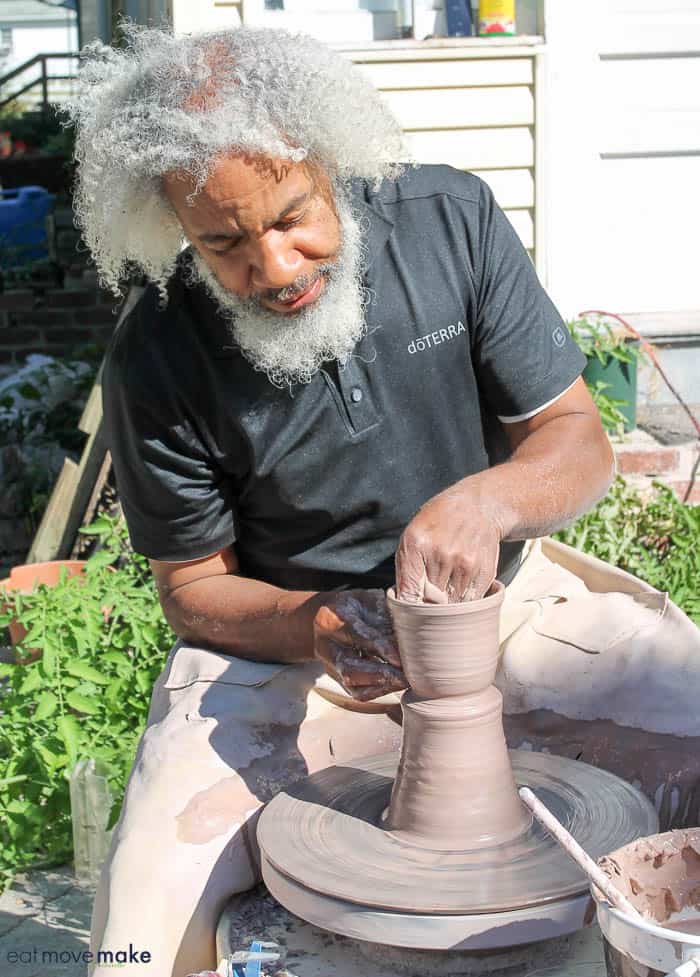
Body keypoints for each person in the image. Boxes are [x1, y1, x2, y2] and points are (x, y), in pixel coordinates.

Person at [63, 23, 700, 977]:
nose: (274, 268)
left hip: (503, 606)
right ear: (174, 229)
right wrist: (315, 623)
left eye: (290, 216)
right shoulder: (157, 351)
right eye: (224, 243)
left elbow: (576, 440)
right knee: (133, 937)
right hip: (291, 643)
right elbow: (194, 589)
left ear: (329, 158)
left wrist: (490, 503)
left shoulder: (450, 219)